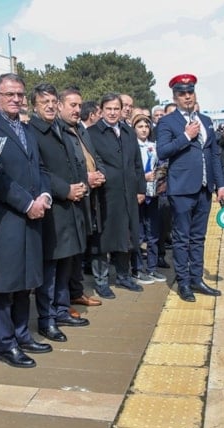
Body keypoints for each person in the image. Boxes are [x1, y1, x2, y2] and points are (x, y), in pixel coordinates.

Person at [0, 73, 53, 368]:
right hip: (5, 218)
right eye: (10, 94)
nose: (16, 99)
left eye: (20, 94)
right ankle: (5, 344)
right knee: (4, 283)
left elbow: (39, 168)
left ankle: (22, 334)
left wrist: (43, 196)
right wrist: (27, 203)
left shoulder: (27, 130)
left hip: (32, 216)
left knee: (25, 280)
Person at [156, 74, 224, 302]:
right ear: (175, 97)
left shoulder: (206, 120)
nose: (187, 97)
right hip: (182, 189)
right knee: (181, 237)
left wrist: (221, 185)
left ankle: (197, 279)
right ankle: (183, 282)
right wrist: (187, 136)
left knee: (199, 237)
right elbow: (162, 151)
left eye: (190, 92)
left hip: (205, 189)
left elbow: (214, 154)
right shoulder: (168, 122)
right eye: (182, 94)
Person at [28, 84, 90, 343]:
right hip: (53, 207)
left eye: (54, 101)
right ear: (34, 106)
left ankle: (62, 309)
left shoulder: (61, 129)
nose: (51, 105)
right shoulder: (32, 131)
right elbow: (39, 170)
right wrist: (65, 189)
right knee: (50, 270)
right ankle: (47, 319)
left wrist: (81, 184)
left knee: (66, 263)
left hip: (70, 207)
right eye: (45, 102)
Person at [87, 93, 146, 299]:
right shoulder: (92, 133)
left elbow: (137, 164)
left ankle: (123, 275)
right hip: (105, 195)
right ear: (101, 110)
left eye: (116, 109)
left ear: (122, 110)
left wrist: (141, 189)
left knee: (127, 236)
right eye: (108, 109)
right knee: (104, 239)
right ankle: (101, 281)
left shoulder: (128, 132)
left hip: (128, 194)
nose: (113, 113)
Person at [61, 91, 105, 311]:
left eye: (79, 105)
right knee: (68, 254)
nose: (77, 109)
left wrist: (100, 174)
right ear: (60, 106)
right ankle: (64, 299)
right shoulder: (58, 130)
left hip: (88, 196)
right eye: (72, 105)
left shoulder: (80, 130)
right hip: (70, 198)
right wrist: (84, 178)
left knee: (80, 249)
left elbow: (93, 157)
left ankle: (77, 292)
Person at [131, 113, 167, 283]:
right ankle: (137, 269)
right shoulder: (131, 147)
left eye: (146, 126)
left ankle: (152, 268)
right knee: (138, 234)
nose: (144, 130)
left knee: (153, 232)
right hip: (137, 194)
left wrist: (159, 174)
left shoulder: (154, 147)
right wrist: (141, 178)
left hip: (153, 194)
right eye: (140, 127)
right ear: (134, 129)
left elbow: (163, 166)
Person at [156, 102, 178, 268]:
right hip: (162, 187)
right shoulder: (156, 133)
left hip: (180, 185)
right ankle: (160, 255)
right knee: (162, 224)